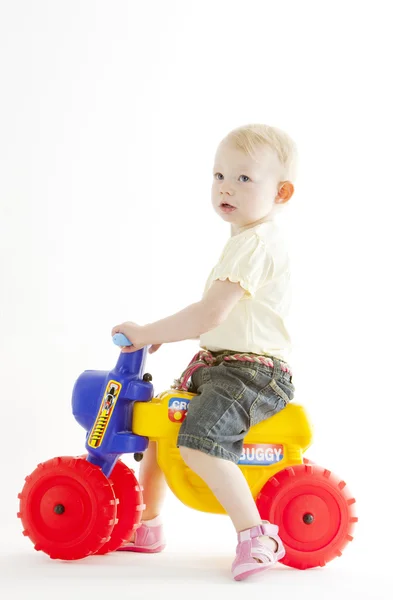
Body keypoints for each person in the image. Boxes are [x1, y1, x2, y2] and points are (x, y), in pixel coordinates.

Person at [112, 123, 297, 580]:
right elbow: (210, 317)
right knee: (159, 427)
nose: (225, 188)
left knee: (199, 442)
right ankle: (148, 525)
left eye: (244, 178)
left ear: (283, 192)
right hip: (220, 367)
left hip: (251, 375)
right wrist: (164, 332)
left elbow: (210, 314)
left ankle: (256, 536)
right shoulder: (245, 239)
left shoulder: (254, 243)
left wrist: (150, 330)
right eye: (218, 176)